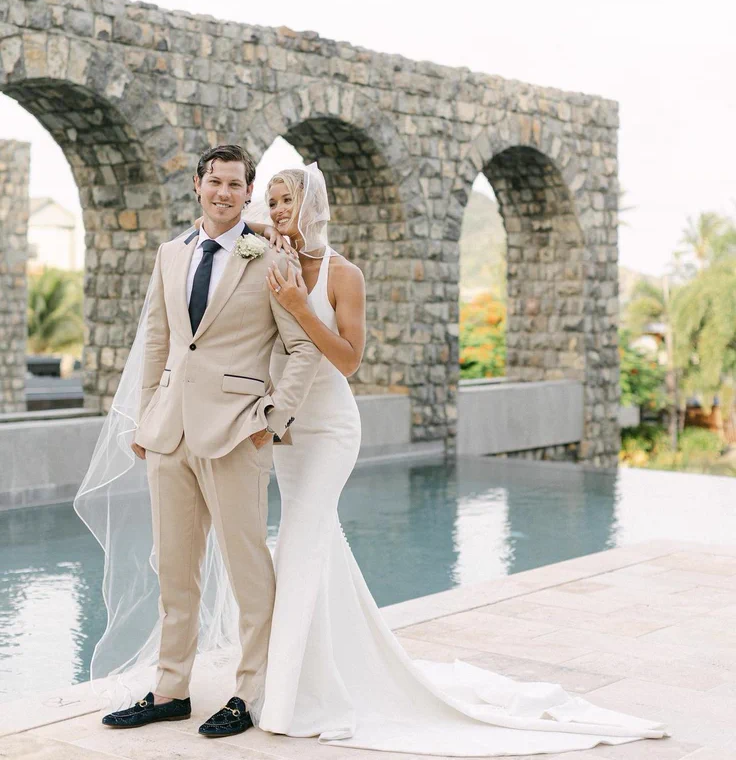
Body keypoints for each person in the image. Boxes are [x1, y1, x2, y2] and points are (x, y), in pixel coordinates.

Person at [236, 165, 668, 754]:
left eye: (288, 200)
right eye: (273, 200)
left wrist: (302, 308)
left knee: (301, 544)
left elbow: (348, 360)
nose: (278, 209)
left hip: (332, 427)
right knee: (310, 547)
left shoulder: (344, 275)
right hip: (290, 429)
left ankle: (301, 696)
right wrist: (266, 231)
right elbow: (239, 228)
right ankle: (312, 675)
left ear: (313, 205)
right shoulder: (273, 261)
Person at [93, 144, 321, 737]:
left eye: (235, 184)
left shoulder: (273, 254)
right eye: (214, 181)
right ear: (198, 185)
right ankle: (171, 688)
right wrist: (145, 418)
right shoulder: (171, 254)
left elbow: (301, 348)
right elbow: (158, 340)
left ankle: (251, 693)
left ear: (249, 193)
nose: (224, 192)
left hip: (236, 433)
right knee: (175, 569)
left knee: (247, 570)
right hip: (169, 434)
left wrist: (273, 419)